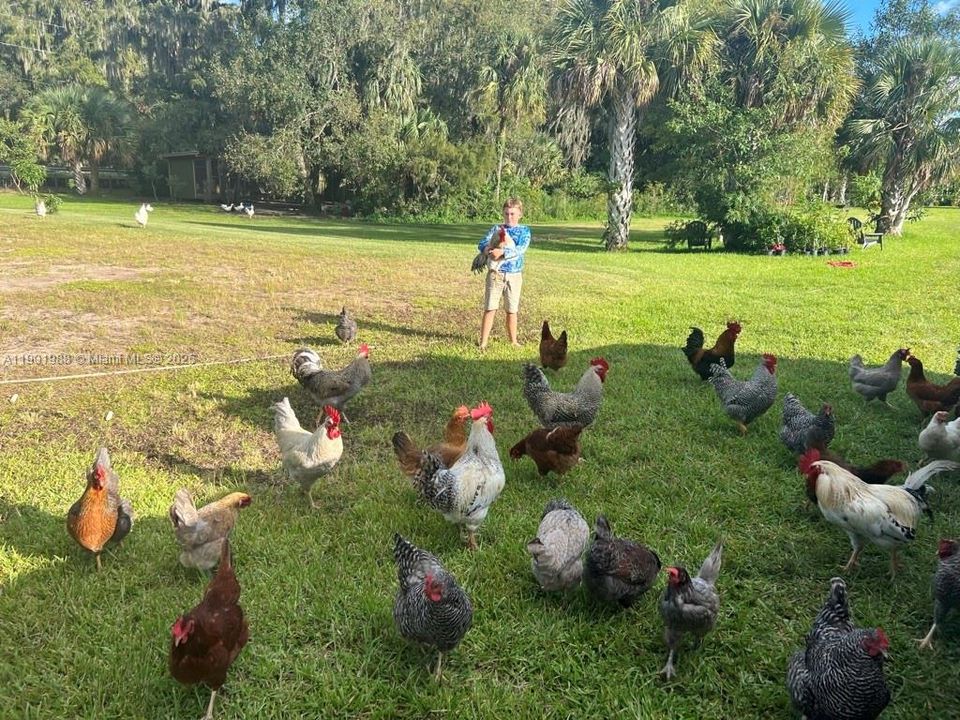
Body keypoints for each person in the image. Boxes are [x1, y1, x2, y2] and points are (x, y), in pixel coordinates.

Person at [477, 198, 531, 350]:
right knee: (490, 307)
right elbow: (482, 242)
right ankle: (483, 342)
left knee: (512, 309)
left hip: (514, 274)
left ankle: (513, 341)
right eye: (506, 213)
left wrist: (502, 253)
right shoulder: (496, 228)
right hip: (496, 273)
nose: (509, 217)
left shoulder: (524, 231)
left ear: (520, 214)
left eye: (512, 214)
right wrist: (487, 250)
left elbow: (521, 249)